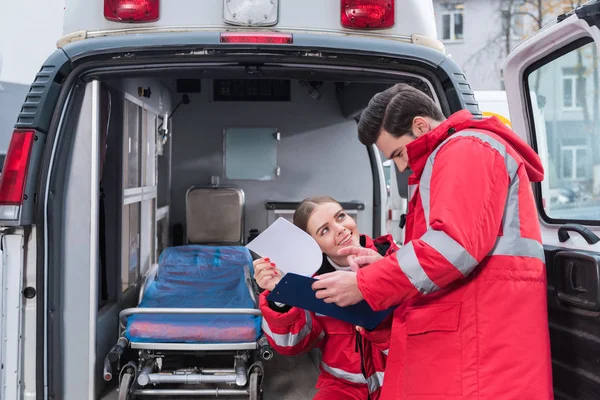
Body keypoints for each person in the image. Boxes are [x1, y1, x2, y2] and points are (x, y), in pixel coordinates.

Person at [311, 83, 554, 399]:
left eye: (399, 154)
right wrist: (387, 265)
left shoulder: (465, 149)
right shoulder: (453, 156)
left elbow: (451, 248)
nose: (401, 166)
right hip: (472, 344)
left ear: (420, 125)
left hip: (479, 353)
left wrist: (365, 283)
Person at [254, 196, 398, 400]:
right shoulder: (312, 283)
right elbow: (291, 345)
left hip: (401, 380)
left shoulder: (397, 260)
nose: (340, 228)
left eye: (340, 216)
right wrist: (281, 294)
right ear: (314, 246)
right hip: (344, 388)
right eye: (325, 230)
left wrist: (381, 283)